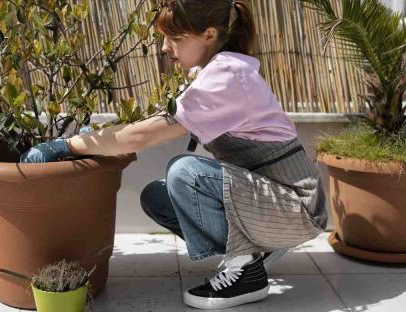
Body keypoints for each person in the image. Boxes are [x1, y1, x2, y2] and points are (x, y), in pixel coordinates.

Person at [20, 0, 328, 309]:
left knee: (186, 173)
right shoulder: (214, 71)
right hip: (269, 200)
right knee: (158, 197)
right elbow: (151, 123)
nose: (165, 48)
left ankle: (246, 273)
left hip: (295, 207)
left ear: (208, 34)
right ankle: (252, 252)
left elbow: (145, 134)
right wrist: (94, 140)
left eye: (176, 38)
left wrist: (68, 145)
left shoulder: (228, 76)